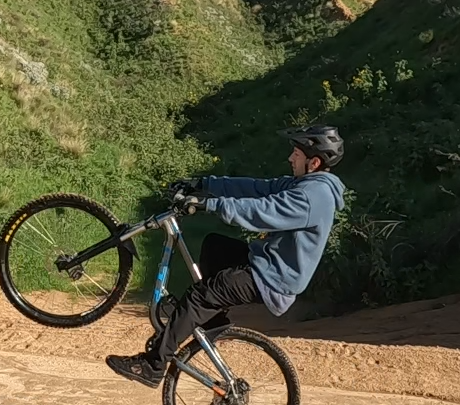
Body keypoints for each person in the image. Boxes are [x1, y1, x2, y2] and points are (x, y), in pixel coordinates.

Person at [105, 125, 346, 387]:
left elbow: (262, 210)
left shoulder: (313, 196)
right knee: (215, 247)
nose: (290, 158)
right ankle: (212, 320)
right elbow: (256, 189)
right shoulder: (306, 184)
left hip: (272, 279)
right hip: (266, 264)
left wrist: (210, 204)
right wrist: (204, 184)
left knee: (199, 297)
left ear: (314, 162)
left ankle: (153, 365)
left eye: (296, 154)